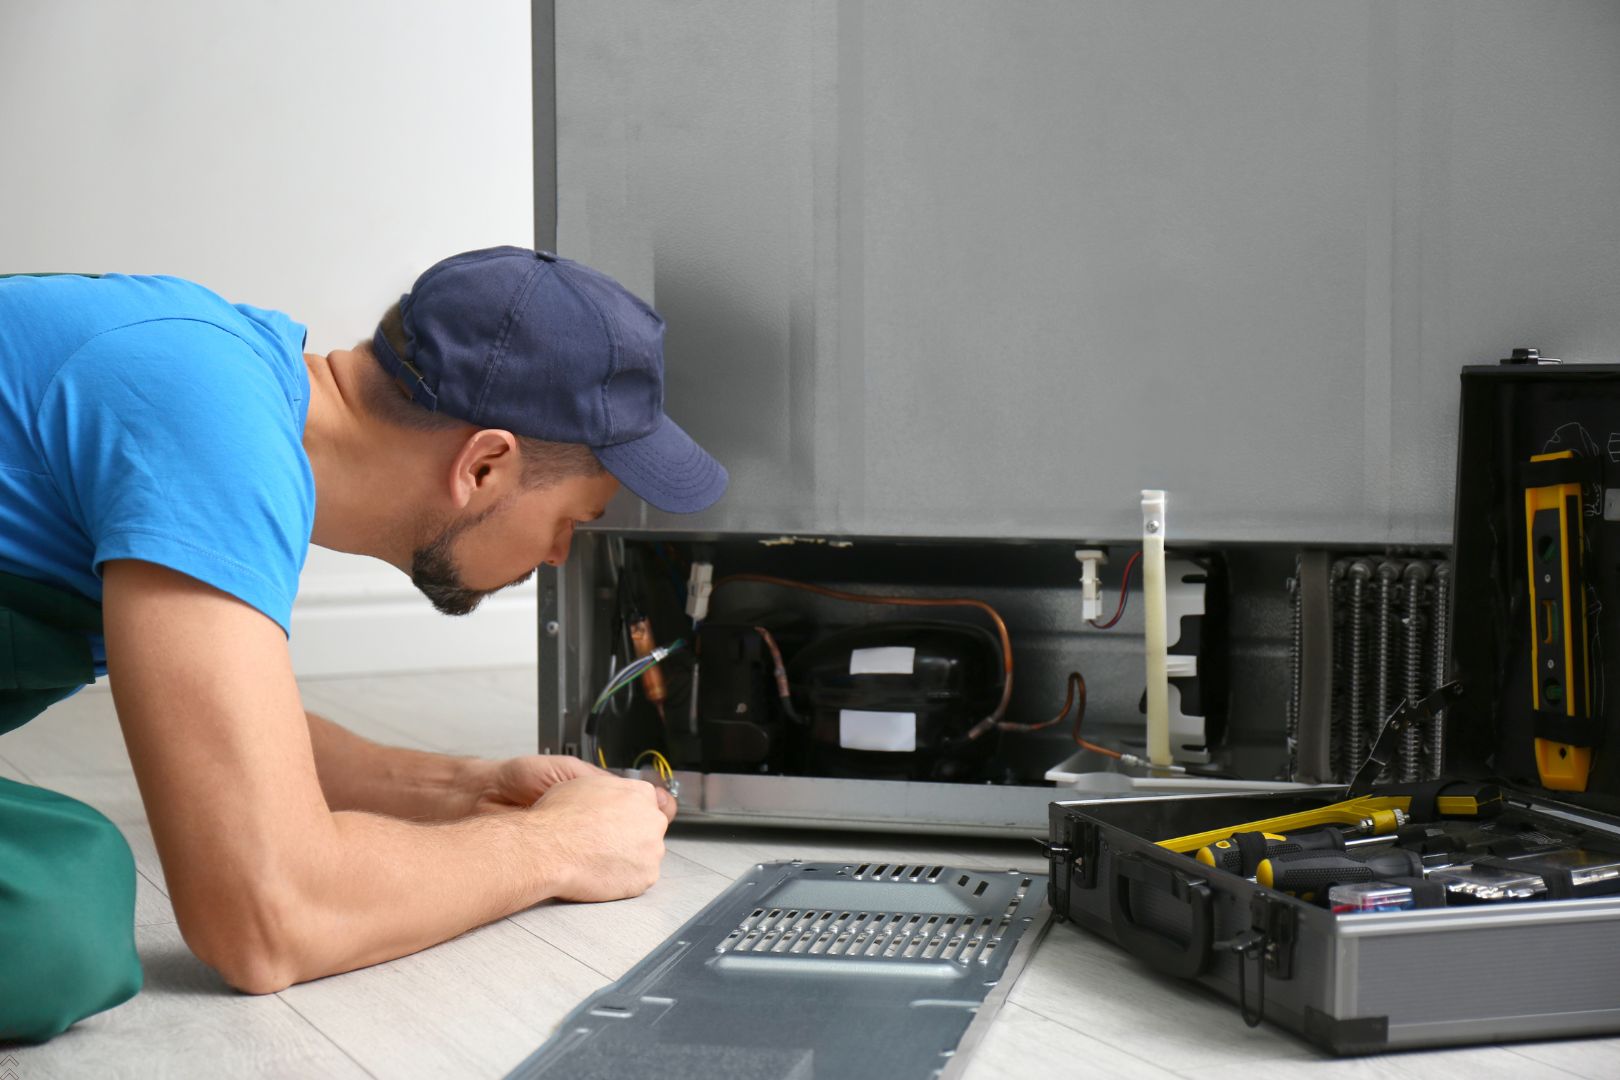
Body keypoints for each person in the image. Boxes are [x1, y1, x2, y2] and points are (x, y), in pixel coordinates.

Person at [0, 247, 727, 1042]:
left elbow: (215, 726)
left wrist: (470, 788)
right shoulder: (212, 428)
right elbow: (266, 918)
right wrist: (557, 846)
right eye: (572, 521)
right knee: (55, 910)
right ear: (485, 465)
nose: (559, 556)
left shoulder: (225, 381)